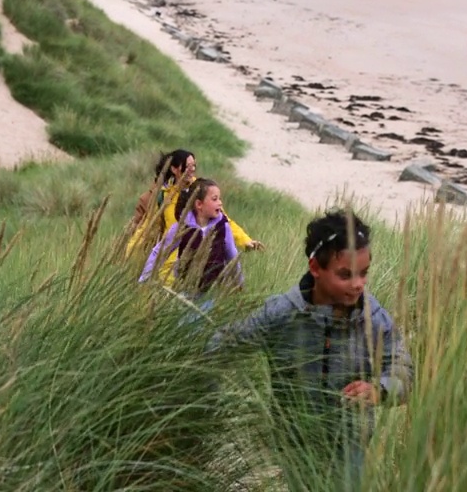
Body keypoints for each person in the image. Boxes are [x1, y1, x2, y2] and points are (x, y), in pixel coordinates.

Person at [204, 209, 413, 489]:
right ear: (315, 268)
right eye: (345, 275)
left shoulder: (374, 319)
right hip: (294, 441)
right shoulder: (281, 313)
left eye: (364, 274)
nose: (357, 285)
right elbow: (223, 346)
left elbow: (404, 370)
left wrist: (380, 389)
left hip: (350, 441)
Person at [126, 149, 262, 285]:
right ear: (174, 169)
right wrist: (129, 253)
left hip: (199, 269)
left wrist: (245, 241)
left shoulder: (201, 192)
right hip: (169, 267)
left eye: (194, 165)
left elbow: (225, 221)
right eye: (188, 166)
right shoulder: (163, 196)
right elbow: (146, 227)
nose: (192, 169)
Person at [138, 178, 245, 316]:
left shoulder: (223, 226)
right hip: (185, 291)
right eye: (215, 199)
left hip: (212, 291)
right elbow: (159, 251)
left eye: (220, 198)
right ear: (199, 204)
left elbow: (232, 255)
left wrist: (238, 282)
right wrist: (145, 278)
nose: (220, 202)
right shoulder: (182, 227)